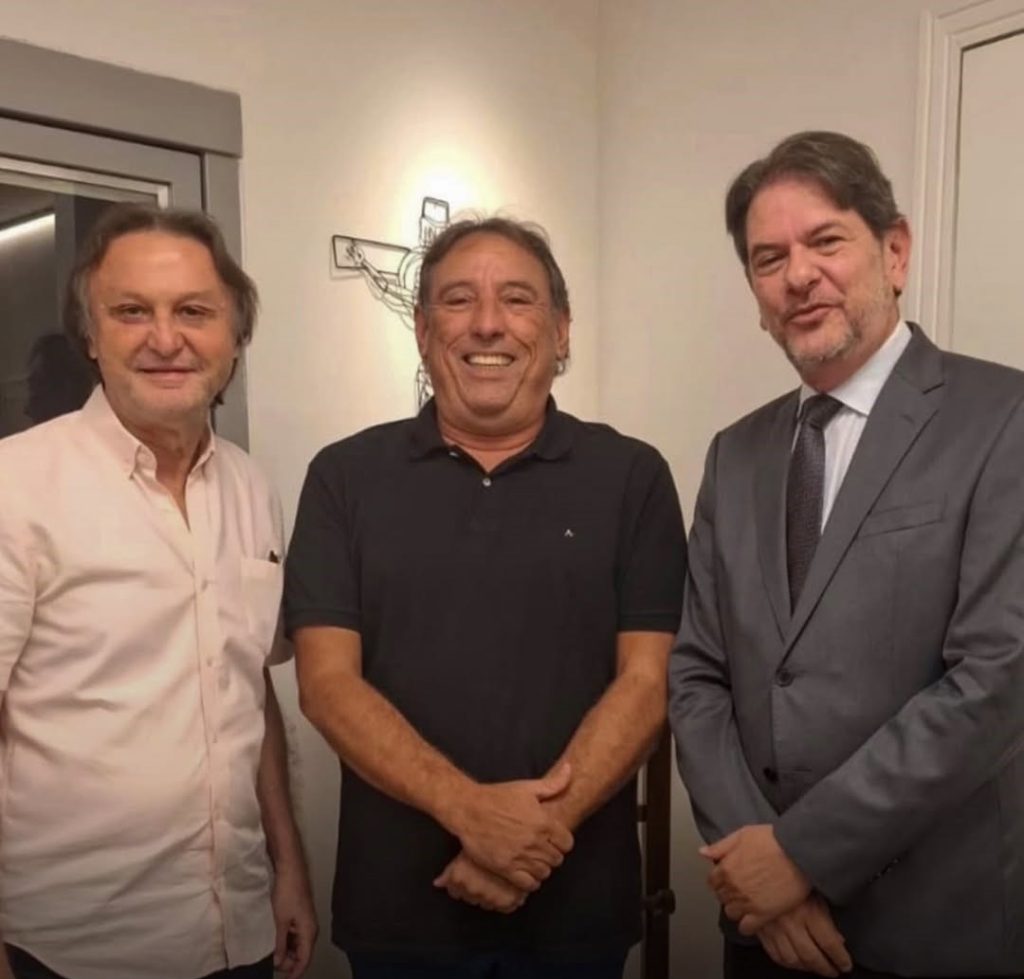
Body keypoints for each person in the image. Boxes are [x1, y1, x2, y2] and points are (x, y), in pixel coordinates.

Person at [286, 216, 686, 978]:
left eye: (518, 299)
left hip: (575, 912)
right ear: (422, 328)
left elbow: (649, 680)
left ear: (561, 330)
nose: (488, 323)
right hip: (401, 914)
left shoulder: (632, 477)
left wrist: (525, 838)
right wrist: (470, 811)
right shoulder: (343, 478)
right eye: (459, 299)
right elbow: (326, 683)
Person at [669, 129, 1024, 979]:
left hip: (931, 929)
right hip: (764, 929)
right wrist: (758, 863)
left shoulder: (1002, 418)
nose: (798, 275)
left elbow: (998, 675)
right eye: (768, 258)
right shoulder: (735, 453)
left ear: (894, 251)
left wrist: (801, 854)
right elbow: (696, 675)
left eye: (825, 241)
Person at [0, 204, 317, 979]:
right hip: (70, 948)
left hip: (239, 929)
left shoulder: (251, 488)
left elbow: (248, 688)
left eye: (195, 312)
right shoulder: (17, 487)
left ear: (234, 337)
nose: (166, 339)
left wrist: (289, 866)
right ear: (91, 335)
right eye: (132, 311)